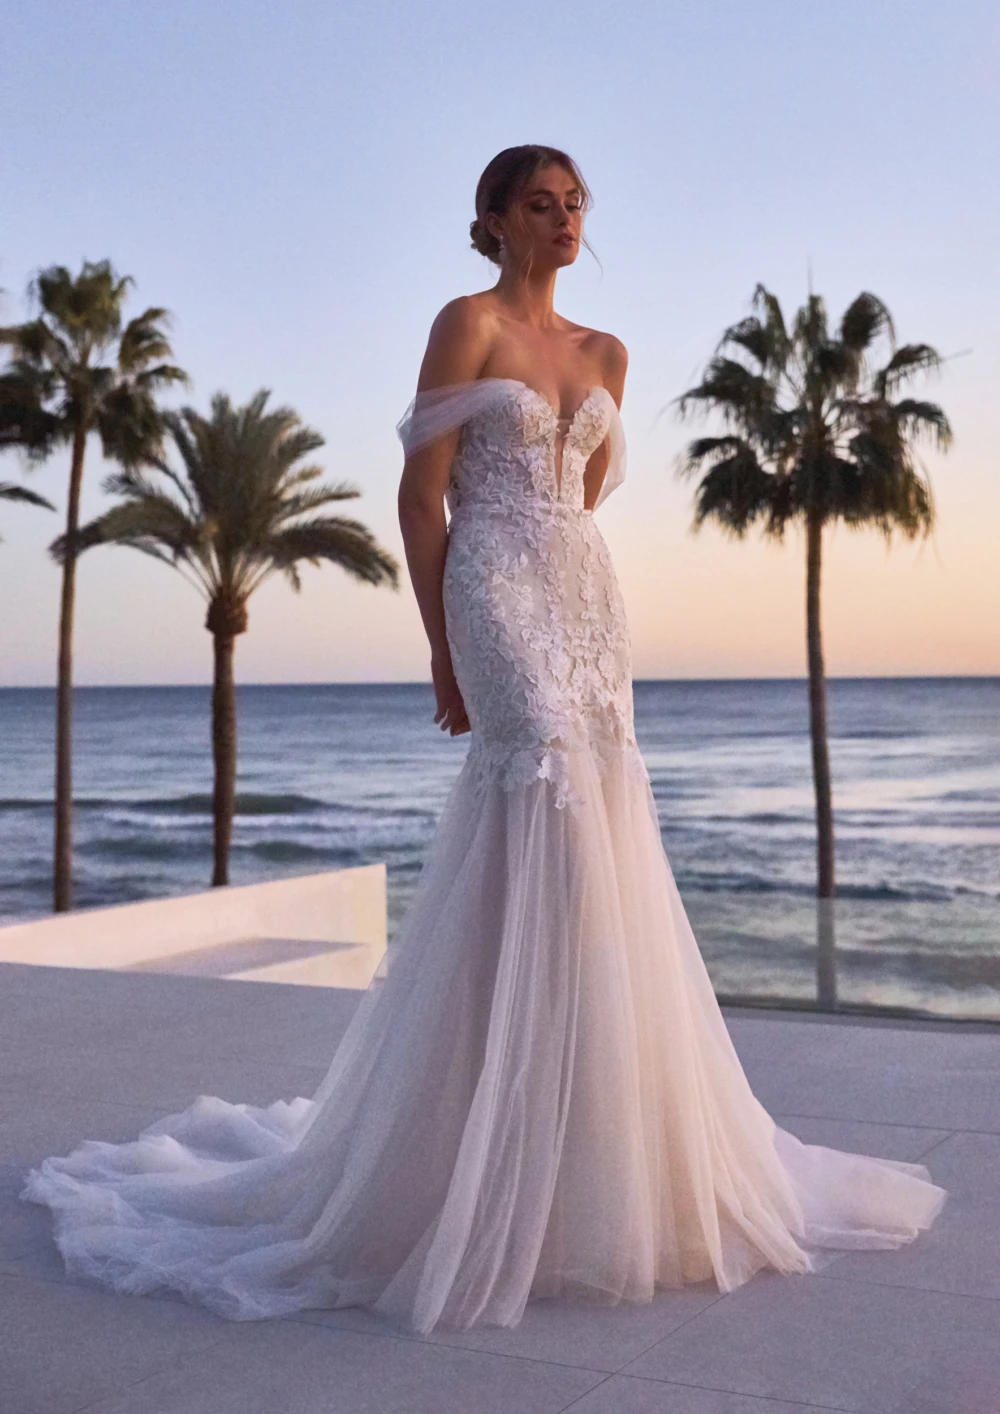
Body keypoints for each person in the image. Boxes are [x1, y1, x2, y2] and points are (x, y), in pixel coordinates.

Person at [22, 144, 948, 1335]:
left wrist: (557, 558)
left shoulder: (607, 351)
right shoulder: (463, 322)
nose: (564, 222)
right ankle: (490, 1141)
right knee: (542, 789)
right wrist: (444, 642)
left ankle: (589, 1142)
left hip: (583, 592)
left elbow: (590, 489)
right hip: (495, 584)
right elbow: (422, 495)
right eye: (540, 205)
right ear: (494, 219)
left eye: (576, 206)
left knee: (600, 811)